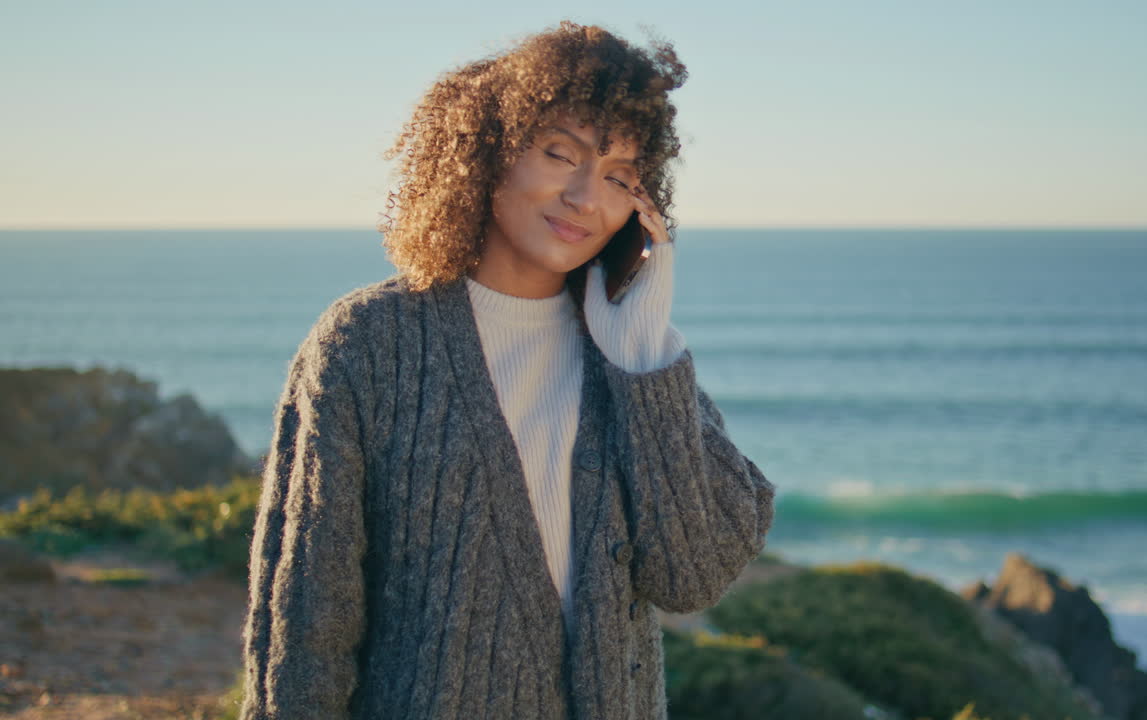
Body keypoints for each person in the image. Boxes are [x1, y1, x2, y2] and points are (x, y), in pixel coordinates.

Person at [238, 21, 775, 720]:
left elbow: (693, 575)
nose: (587, 196)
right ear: (490, 152)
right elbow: (307, 618)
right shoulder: (367, 343)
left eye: (620, 177)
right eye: (561, 153)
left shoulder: (632, 360)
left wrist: (644, 354)